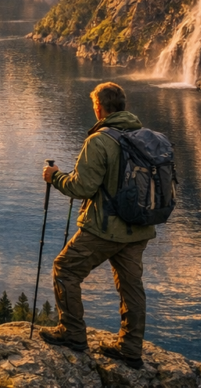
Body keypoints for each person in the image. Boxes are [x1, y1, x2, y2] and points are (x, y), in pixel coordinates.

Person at [39, 82, 154, 370]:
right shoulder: (146, 137)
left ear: (99, 108)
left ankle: (73, 333)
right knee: (131, 286)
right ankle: (130, 348)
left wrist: (55, 177)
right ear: (123, 106)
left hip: (104, 227)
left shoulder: (100, 140)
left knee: (65, 269)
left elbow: (82, 186)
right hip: (139, 227)